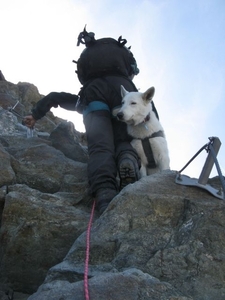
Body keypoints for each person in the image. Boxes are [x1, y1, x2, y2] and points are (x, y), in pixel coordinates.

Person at [24, 28, 145, 214]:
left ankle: (105, 193)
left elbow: (56, 96)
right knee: (125, 140)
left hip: (93, 95)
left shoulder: (89, 86)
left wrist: (35, 114)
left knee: (100, 147)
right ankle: (127, 159)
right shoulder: (126, 79)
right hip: (123, 93)